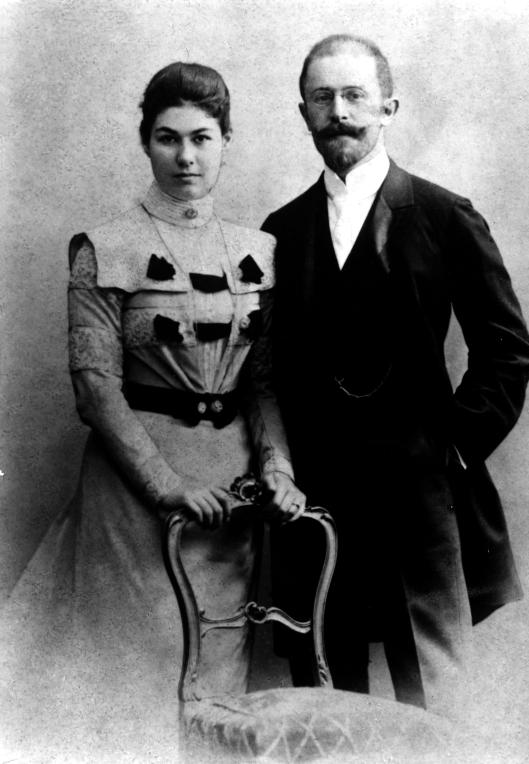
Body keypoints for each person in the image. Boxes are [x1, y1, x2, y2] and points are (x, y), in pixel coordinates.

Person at [0, 61, 304, 757]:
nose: (186, 156)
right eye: (167, 138)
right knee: (136, 678)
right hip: (136, 494)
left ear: (227, 139)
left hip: (231, 498)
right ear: (146, 143)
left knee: (218, 682)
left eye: (202, 137)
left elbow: (262, 382)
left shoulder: (260, 252)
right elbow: (95, 387)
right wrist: (168, 486)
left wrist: (278, 467)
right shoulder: (103, 248)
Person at [263, 34, 529, 716]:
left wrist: (451, 449)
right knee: (326, 696)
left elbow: (507, 350)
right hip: (320, 497)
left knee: (433, 705)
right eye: (323, 98)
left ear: (388, 106)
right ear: (303, 115)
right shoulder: (281, 233)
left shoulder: (445, 216)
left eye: (355, 95)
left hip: (420, 494)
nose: (340, 112)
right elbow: (269, 371)